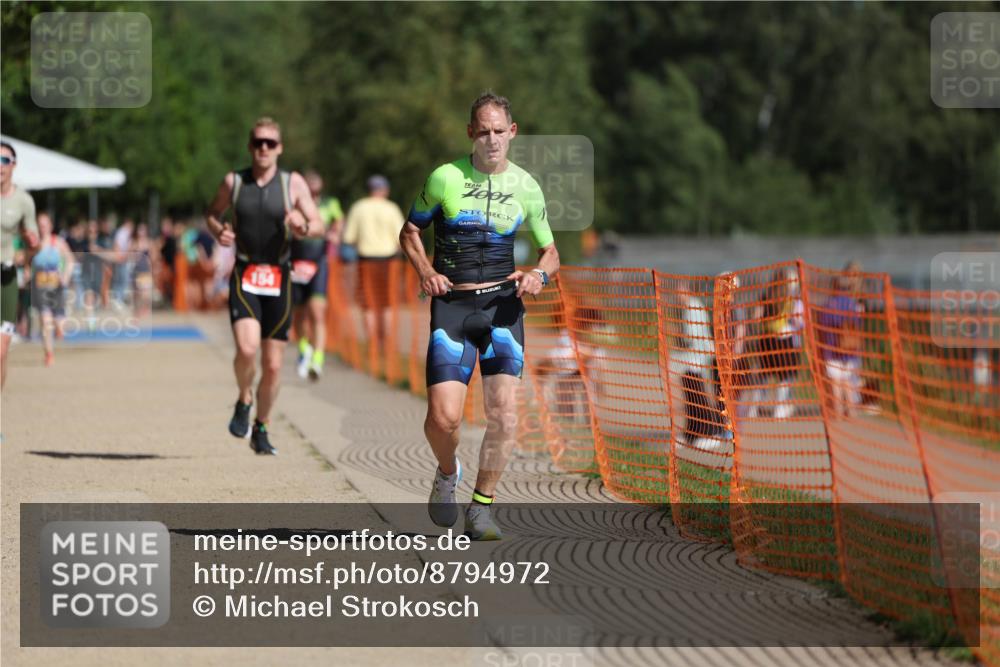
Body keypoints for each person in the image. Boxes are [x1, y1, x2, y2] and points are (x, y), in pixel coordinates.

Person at [400, 92, 559, 540]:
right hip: (453, 307)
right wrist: (426, 271)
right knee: (442, 419)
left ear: (513, 133)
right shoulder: (444, 178)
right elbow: (410, 231)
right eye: (482, 131)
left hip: (503, 310)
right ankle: (447, 473)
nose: (491, 140)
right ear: (471, 133)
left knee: (505, 415)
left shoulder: (526, 186)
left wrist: (539, 278)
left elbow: (551, 253)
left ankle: (482, 508)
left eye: (499, 131)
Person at [205, 117, 321, 455]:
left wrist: (302, 224)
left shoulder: (293, 183)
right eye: (258, 142)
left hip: (279, 277)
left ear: (280, 148)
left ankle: (262, 425)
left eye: (270, 143)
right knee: (247, 349)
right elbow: (212, 212)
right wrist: (218, 230)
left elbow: (317, 224)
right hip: (245, 274)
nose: (264, 148)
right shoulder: (234, 182)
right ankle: (244, 398)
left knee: (272, 365)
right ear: (250, 146)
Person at [342, 174, 404, 376]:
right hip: (388, 261)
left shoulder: (359, 208)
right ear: (384, 190)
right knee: (386, 304)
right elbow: (401, 237)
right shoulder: (391, 208)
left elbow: (349, 237)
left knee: (368, 304)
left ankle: (373, 347)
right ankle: (386, 347)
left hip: (366, 260)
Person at [291, 170, 343, 381]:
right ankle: (305, 349)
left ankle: (318, 359)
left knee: (317, 312)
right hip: (296, 262)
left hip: (318, 263)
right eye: (308, 180)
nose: (312, 183)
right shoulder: (294, 204)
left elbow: (339, 221)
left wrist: (335, 233)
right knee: (299, 314)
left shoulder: (330, 203)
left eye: (316, 179)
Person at [0, 140, 39, 389]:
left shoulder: (24, 201)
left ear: (14, 165)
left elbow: (34, 244)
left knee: (1, 352)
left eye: (4, 160)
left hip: (6, 278)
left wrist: (29, 246)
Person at [817, 260, 865, 418]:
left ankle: (837, 414)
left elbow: (821, 329)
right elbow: (858, 326)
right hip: (850, 351)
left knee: (836, 386)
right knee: (848, 385)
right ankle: (852, 415)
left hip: (831, 351)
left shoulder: (827, 306)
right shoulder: (853, 305)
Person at [30, 213, 74, 365]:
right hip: (41, 288)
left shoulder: (58, 242)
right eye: (39, 225)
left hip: (57, 288)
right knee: (45, 320)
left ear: (50, 225)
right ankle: (49, 354)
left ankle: (58, 327)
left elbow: (70, 261)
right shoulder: (34, 244)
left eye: (44, 224)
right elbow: (28, 263)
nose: (42, 228)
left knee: (59, 323)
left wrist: (65, 277)